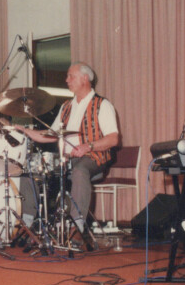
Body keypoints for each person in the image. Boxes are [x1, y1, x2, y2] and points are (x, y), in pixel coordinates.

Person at [19, 62, 119, 251]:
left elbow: (113, 139)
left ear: (85, 78)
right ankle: (28, 224)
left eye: (70, 76)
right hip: (66, 160)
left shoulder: (102, 105)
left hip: (94, 157)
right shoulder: (66, 107)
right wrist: (25, 131)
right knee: (30, 170)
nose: (66, 80)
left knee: (80, 170)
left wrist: (88, 146)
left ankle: (77, 227)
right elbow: (51, 135)